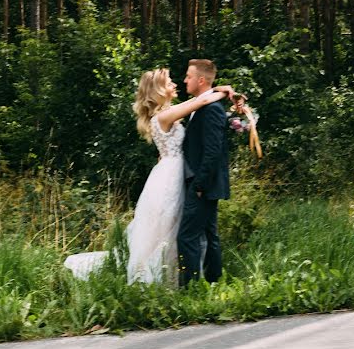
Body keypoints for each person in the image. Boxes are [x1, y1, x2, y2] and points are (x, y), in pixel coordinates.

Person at [64, 67, 236, 286]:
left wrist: (218, 89)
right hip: (170, 177)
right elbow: (201, 102)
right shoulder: (163, 116)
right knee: (168, 229)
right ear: (158, 91)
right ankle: (168, 279)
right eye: (169, 82)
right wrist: (224, 91)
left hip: (173, 172)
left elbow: (197, 103)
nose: (175, 84)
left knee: (173, 230)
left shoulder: (167, 113)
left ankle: (180, 278)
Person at [179, 59, 231, 286]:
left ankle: (191, 289)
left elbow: (212, 152)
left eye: (188, 77)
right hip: (202, 183)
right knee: (210, 235)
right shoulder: (202, 104)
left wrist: (199, 186)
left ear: (201, 80)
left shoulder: (211, 110)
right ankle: (213, 282)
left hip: (203, 185)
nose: (184, 80)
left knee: (187, 236)